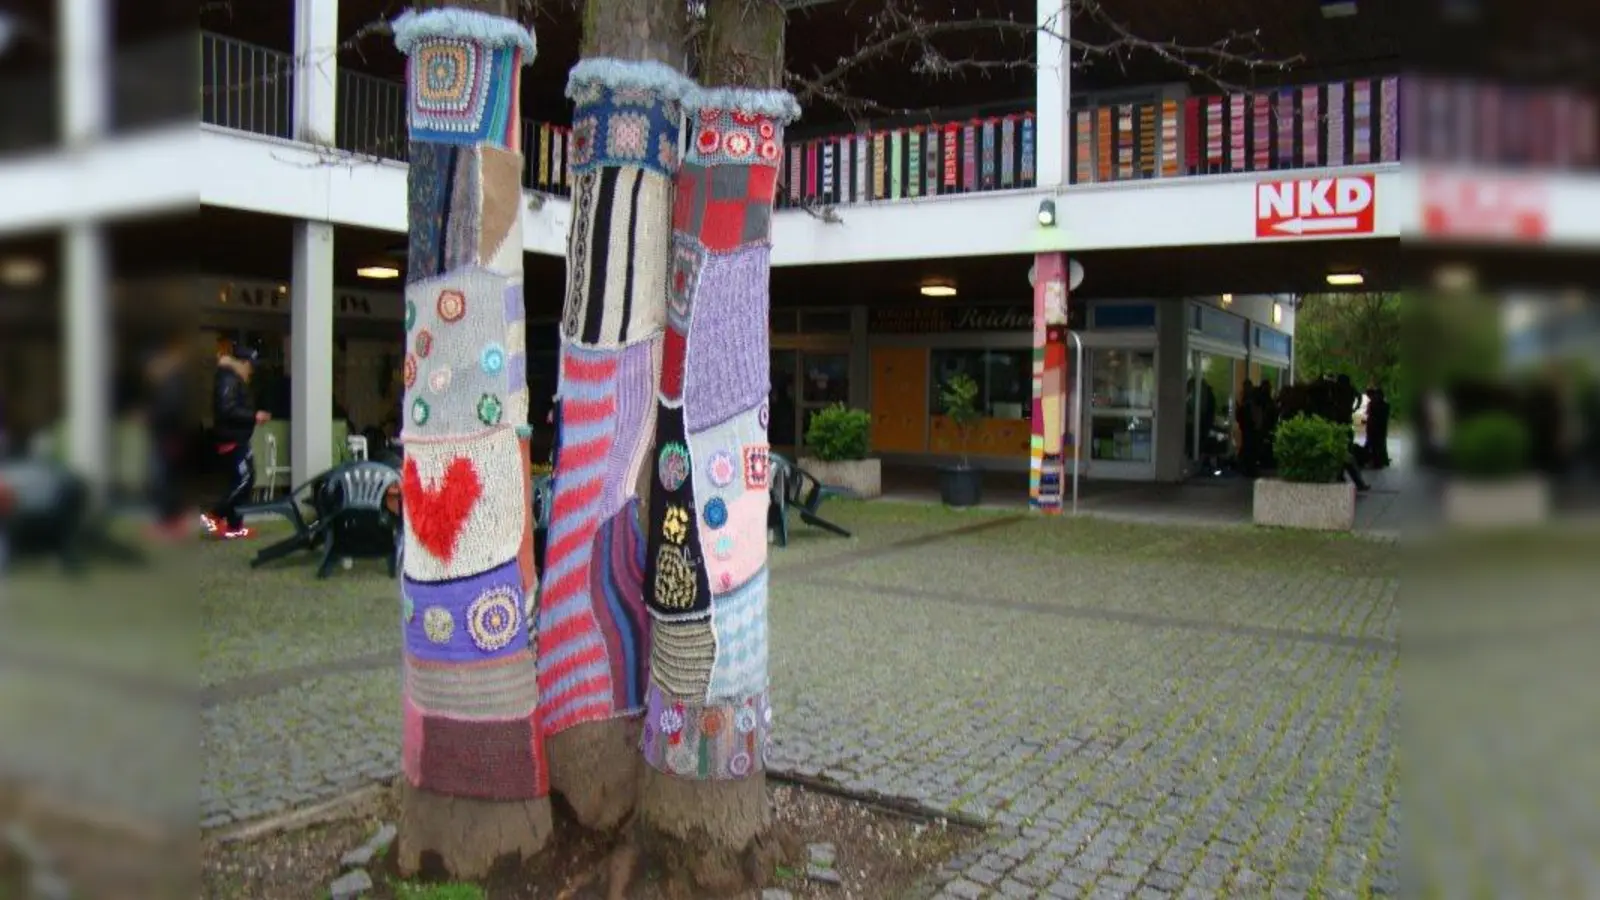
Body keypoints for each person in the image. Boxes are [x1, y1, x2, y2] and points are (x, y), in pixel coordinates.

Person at [202, 347, 270, 539]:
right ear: (241, 363)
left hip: (238, 437)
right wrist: (253, 416)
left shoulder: (234, 379)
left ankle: (235, 526)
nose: (251, 370)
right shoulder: (228, 379)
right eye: (249, 365)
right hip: (231, 438)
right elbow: (226, 409)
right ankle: (214, 515)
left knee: (244, 480)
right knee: (245, 480)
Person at [144, 334, 193, 539]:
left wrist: (151, 417)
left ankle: (169, 524)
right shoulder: (171, 385)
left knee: (165, 481)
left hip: (168, 439)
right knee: (166, 480)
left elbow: (170, 411)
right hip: (168, 438)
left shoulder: (173, 385)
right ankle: (170, 522)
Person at [1363, 387, 1391, 469]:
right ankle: (1379, 461)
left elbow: (1372, 416)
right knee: (1379, 445)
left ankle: (1376, 462)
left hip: (1374, 428)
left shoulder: (1373, 404)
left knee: (1375, 445)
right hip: (1380, 428)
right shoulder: (1385, 405)